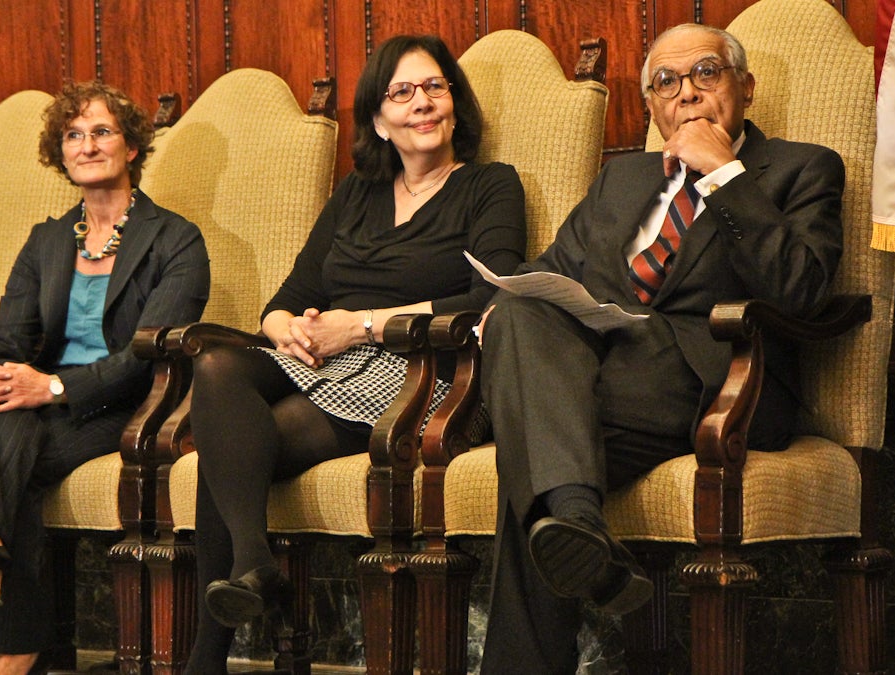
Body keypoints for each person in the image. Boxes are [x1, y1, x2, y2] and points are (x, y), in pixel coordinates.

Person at [477, 23, 845, 673]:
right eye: (667, 83)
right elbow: (551, 270)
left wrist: (726, 175)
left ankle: (573, 538)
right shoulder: (621, 181)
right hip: (603, 372)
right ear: (650, 105)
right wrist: (501, 313)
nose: (688, 95)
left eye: (707, 74)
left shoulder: (800, 168)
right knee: (516, 312)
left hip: (719, 377)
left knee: (529, 450)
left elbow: (802, 290)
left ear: (745, 88)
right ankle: (581, 525)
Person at [183, 35, 526, 672]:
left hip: (425, 372)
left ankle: (211, 651)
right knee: (215, 366)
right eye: (401, 93)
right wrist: (289, 328)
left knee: (226, 450)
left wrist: (361, 325)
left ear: (455, 102)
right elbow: (288, 296)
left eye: (434, 87)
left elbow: (489, 298)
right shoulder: (357, 193)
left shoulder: (490, 185)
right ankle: (254, 567)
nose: (421, 103)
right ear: (377, 119)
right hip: (328, 362)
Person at [0, 81, 210, 674]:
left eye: (102, 132)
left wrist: (52, 387)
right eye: (73, 136)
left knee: (7, 430)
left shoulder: (176, 239)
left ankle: (3, 605)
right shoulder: (47, 240)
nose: (87, 146)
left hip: (130, 407)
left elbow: (148, 352)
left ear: (131, 146)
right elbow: (6, 332)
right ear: (61, 153)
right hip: (44, 402)